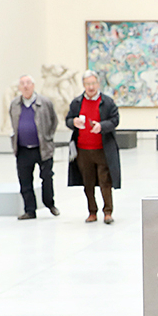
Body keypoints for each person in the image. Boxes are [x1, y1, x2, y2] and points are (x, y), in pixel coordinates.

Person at [66, 70, 122, 223]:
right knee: (87, 183)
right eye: (87, 84)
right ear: (83, 85)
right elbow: (68, 119)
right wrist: (73, 123)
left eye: (93, 83)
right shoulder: (77, 103)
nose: (90, 87)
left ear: (98, 84)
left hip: (102, 149)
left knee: (105, 182)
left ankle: (108, 212)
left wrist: (101, 126)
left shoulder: (108, 102)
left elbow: (115, 120)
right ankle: (92, 212)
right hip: (83, 150)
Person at [9, 75, 59, 220]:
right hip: (23, 149)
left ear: (33, 85)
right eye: (22, 84)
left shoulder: (45, 102)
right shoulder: (14, 104)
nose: (25, 86)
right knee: (25, 181)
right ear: (19, 87)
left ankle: (50, 203)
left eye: (28, 83)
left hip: (42, 148)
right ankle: (30, 210)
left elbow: (53, 121)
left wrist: (48, 137)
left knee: (47, 178)